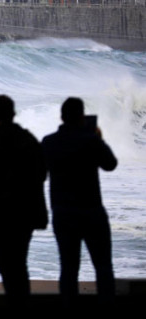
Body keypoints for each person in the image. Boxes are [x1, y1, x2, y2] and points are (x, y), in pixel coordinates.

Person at [41, 97, 117, 307]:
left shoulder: (49, 142)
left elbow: (39, 173)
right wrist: (98, 138)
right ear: (82, 117)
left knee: (68, 267)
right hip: (91, 209)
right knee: (102, 266)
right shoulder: (91, 140)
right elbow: (110, 164)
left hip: (63, 212)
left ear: (62, 117)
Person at [0, 95, 47, 305]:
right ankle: (20, 303)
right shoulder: (29, 141)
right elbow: (42, 174)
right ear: (14, 114)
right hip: (25, 213)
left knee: (5, 265)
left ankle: (17, 303)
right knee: (19, 262)